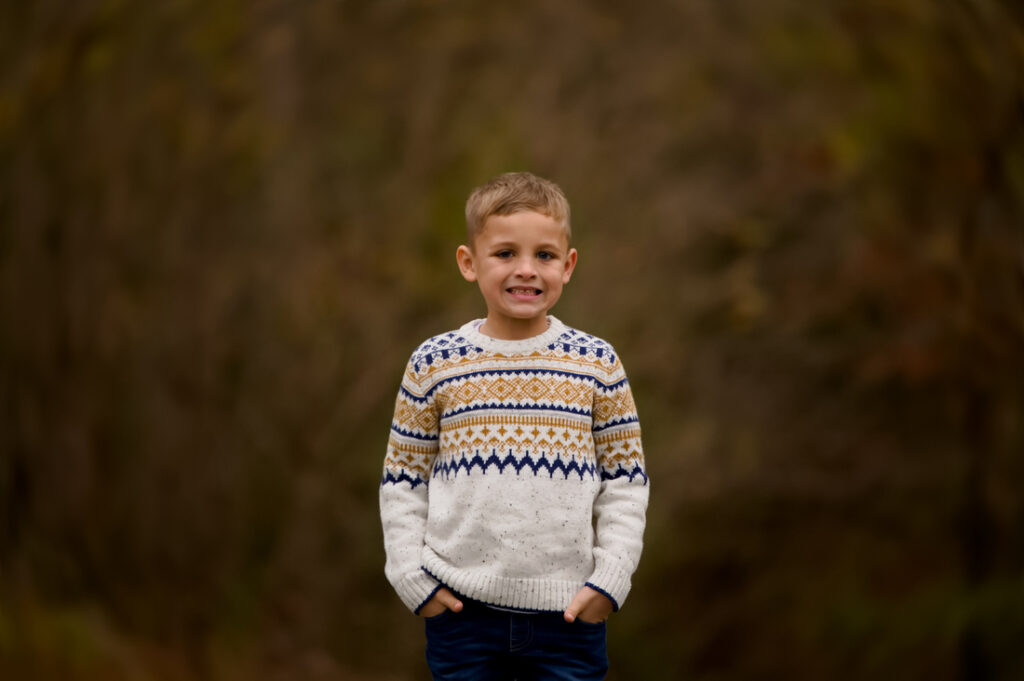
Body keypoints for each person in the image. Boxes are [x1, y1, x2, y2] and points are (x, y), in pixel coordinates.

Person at [379, 171, 649, 680]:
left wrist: (610, 580)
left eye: (544, 255)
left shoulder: (597, 363)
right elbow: (403, 480)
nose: (526, 270)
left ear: (568, 265)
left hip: (570, 616)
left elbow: (625, 483)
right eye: (505, 253)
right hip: (461, 614)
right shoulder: (434, 362)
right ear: (469, 262)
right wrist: (412, 577)